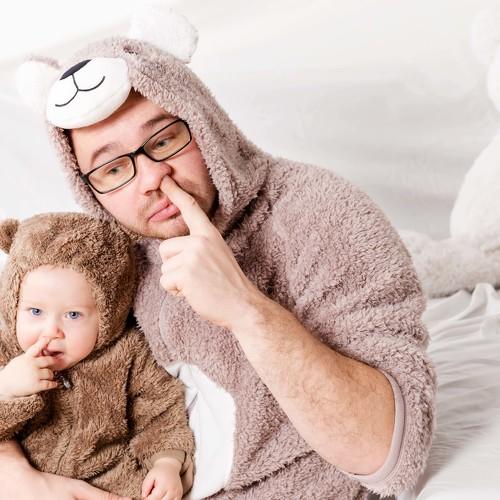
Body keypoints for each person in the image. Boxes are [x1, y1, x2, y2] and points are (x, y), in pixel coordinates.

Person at [2, 7, 436, 500]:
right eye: (113, 169)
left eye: (164, 139)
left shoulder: (321, 213)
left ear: (204, 122)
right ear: (88, 188)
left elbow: (389, 454)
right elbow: (13, 357)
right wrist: (18, 476)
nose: (152, 178)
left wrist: (244, 308)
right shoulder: (103, 256)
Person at [0, 212, 194, 500]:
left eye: (73, 315)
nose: (51, 331)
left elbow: (160, 412)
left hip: (110, 482)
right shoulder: (6, 352)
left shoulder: (128, 354)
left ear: (108, 313)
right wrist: (6, 389)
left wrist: (166, 464)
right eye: (36, 311)